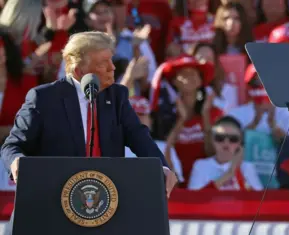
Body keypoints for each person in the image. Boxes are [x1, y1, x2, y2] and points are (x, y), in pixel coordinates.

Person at [0, 31, 178, 198]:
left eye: (112, 60)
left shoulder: (117, 96)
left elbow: (140, 137)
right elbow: (12, 146)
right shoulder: (43, 98)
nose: (112, 67)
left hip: (105, 199)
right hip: (55, 197)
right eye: (103, 63)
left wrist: (160, 166)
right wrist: (17, 162)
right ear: (79, 71)